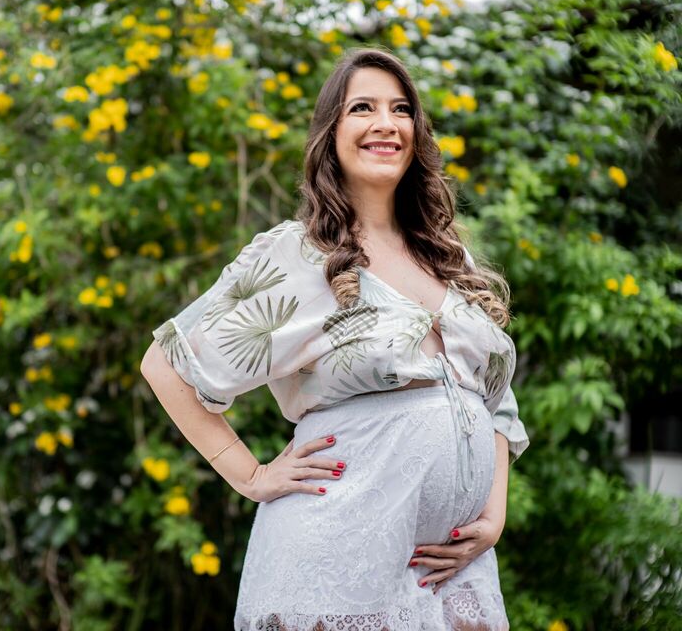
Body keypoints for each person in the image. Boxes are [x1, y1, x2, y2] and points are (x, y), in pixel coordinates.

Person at [140, 47, 530, 631]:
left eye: (401, 109)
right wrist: (251, 476)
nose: (386, 123)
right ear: (331, 132)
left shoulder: (450, 259)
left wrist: (492, 515)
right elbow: (165, 364)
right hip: (338, 555)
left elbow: (494, 401)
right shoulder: (298, 254)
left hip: (448, 573)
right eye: (362, 108)